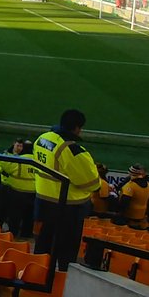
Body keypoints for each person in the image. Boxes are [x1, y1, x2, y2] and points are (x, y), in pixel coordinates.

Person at [32, 109, 101, 271]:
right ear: (77, 128)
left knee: (43, 245)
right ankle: (62, 279)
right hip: (68, 208)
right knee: (66, 252)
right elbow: (92, 184)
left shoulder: (43, 138)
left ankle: (36, 275)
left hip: (43, 201)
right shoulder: (73, 151)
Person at [0, 139, 37, 238]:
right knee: (29, 215)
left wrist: (6, 154)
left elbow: (5, 166)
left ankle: (13, 233)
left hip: (18, 191)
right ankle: (26, 234)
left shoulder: (19, 159)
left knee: (15, 215)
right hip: (33, 192)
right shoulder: (37, 161)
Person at [119, 164, 149, 229]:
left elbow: (124, 202)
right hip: (142, 213)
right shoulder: (148, 184)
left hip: (130, 215)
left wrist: (120, 215)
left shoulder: (130, 186)